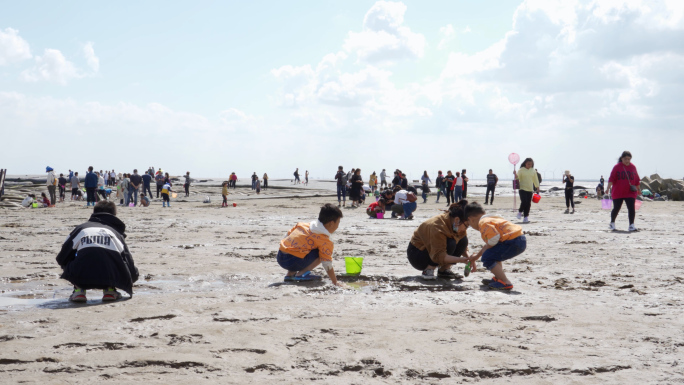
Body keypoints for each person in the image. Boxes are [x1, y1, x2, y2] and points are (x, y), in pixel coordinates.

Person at [56, 201, 139, 302]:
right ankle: (110, 290)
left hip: (82, 276)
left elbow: (61, 257)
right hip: (110, 277)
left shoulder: (81, 229)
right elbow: (128, 260)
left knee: (71, 254)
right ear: (114, 215)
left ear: (94, 213)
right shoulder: (115, 233)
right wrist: (133, 277)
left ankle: (79, 291)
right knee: (114, 257)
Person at [465, 202, 527, 291]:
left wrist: (479, 255)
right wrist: (477, 256)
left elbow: (493, 239)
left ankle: (506, 282)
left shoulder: (483, 223)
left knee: (487, 257)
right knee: (493, 254)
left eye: (469, 225)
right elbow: (492, 243)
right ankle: (499, 278)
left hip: (513, 241)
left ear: (471, 219)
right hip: (520, 239)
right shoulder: (491, 218)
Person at [277, 203, 344, 285]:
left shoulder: (303, 225)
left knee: (299, 247)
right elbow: (326, 263)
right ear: (331, 223)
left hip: (280, 256)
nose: (338, 226)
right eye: (338, 222)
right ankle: (301, 274)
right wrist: (335, 281)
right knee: (321, 253)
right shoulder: (325, 240)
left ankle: (290, 274)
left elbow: (287, 236)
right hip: (293, 261)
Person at [407, 201, 470, 280]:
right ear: (457, 219)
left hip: (433, 251)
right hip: (418, 254)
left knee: (463, 240)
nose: (466, 229)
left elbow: (463, 247)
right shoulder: (437, 226)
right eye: (466, 225)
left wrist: (469, 258)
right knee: (451, 243)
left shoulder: (457, 225)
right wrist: (461, 260)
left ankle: (444, 270)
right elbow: (439, 255)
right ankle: (429, 269)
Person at [606, 151, 640, 232]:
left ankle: (631, 225)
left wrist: (639, 190)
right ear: (622, 158)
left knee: (631, 208)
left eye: (629, 159)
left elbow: (637, 180)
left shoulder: (633, 167)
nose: (627, 161)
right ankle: (612, 223)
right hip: (618, 192)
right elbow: (611, 179)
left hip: (630, 192)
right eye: (625, 159)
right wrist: (607, 189)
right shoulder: (617, 167)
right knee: (617, 208)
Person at [514, 158, 540, 223]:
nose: (529, 165)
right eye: (528, 164)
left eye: (531, 164)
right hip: (522, 188)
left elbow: (535, 179)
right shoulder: (521, 170)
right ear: (525, 163)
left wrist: (537, 187)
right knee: (524, 201)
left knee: (528, 204)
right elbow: (517, 178)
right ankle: (520, 212)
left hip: (530, 189)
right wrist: (515, 174)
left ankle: (526, 217)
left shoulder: (533, 170)